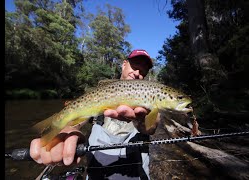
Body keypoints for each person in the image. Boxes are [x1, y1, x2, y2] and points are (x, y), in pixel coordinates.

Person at [30, 49, 159, 179]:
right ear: (124, 64)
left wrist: (140, 121)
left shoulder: (150, 96)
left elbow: (151, 128)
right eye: (135, 66)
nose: (137, 73)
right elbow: (77, 120)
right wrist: (68, 130)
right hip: (98, 168)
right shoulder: (101, 91)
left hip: (134, 168)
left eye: (143, 72)